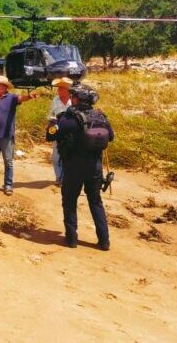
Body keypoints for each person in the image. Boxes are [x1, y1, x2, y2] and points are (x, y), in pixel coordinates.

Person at [46, 84, 114, 250]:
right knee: (95, 202)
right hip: (95, 168)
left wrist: (53, 122)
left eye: (74, 97)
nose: (72, 99)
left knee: (70, 201)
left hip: (74, 167)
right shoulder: (100, 117)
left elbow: (50, 135)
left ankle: (72, 239)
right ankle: (104, 241)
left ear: (78, 99)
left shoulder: (70, 119)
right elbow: (111, 136)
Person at [49, 77, 73, 185]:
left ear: (67, 90)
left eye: (61, 88)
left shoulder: (74, 100)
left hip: (71, 133)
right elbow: (51, 114)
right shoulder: (55, 100)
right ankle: (59, 177)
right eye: (58, 88)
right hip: (58, 132)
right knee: (56, 157)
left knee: (68, 156)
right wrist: (51, 123)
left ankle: (66, 178)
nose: (58, 90)